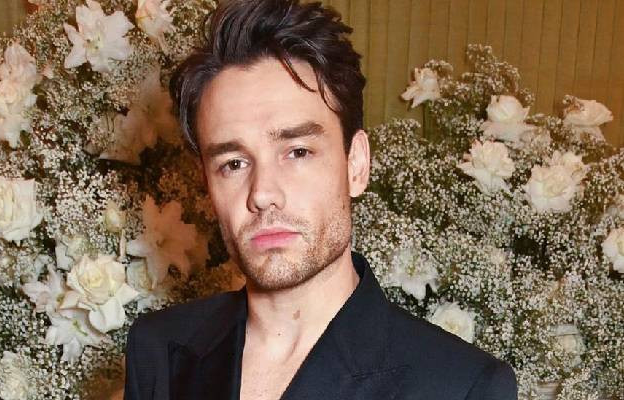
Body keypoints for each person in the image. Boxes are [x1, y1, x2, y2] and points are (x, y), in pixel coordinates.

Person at [124, 0, 518, 399]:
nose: (262, 193)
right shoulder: (158, 351)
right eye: (233, 163)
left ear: (356, 165)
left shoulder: (461, 387)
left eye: (298, 152)